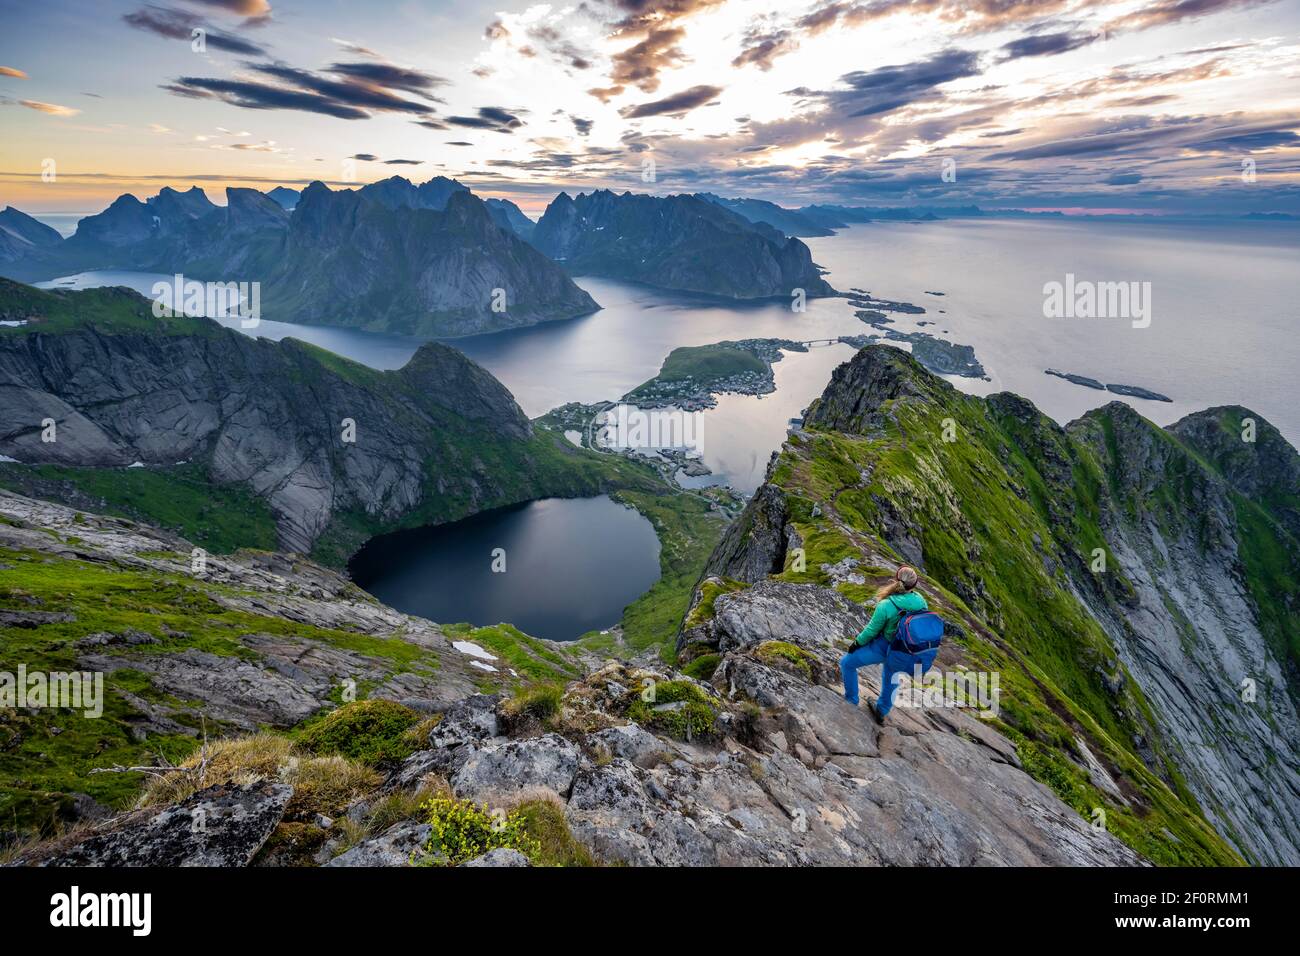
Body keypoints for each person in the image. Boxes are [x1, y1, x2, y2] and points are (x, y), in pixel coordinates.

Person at [840, 565, 938, 721]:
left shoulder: (886, 605)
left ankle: (851, 700)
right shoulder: (920, 600)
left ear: (896, 578)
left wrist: (856, 644)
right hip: (904, 650)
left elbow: (871, 631)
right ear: (914, 584)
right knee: (891, 676)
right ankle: (882, 710)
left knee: (847, 663)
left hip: (883, 646)